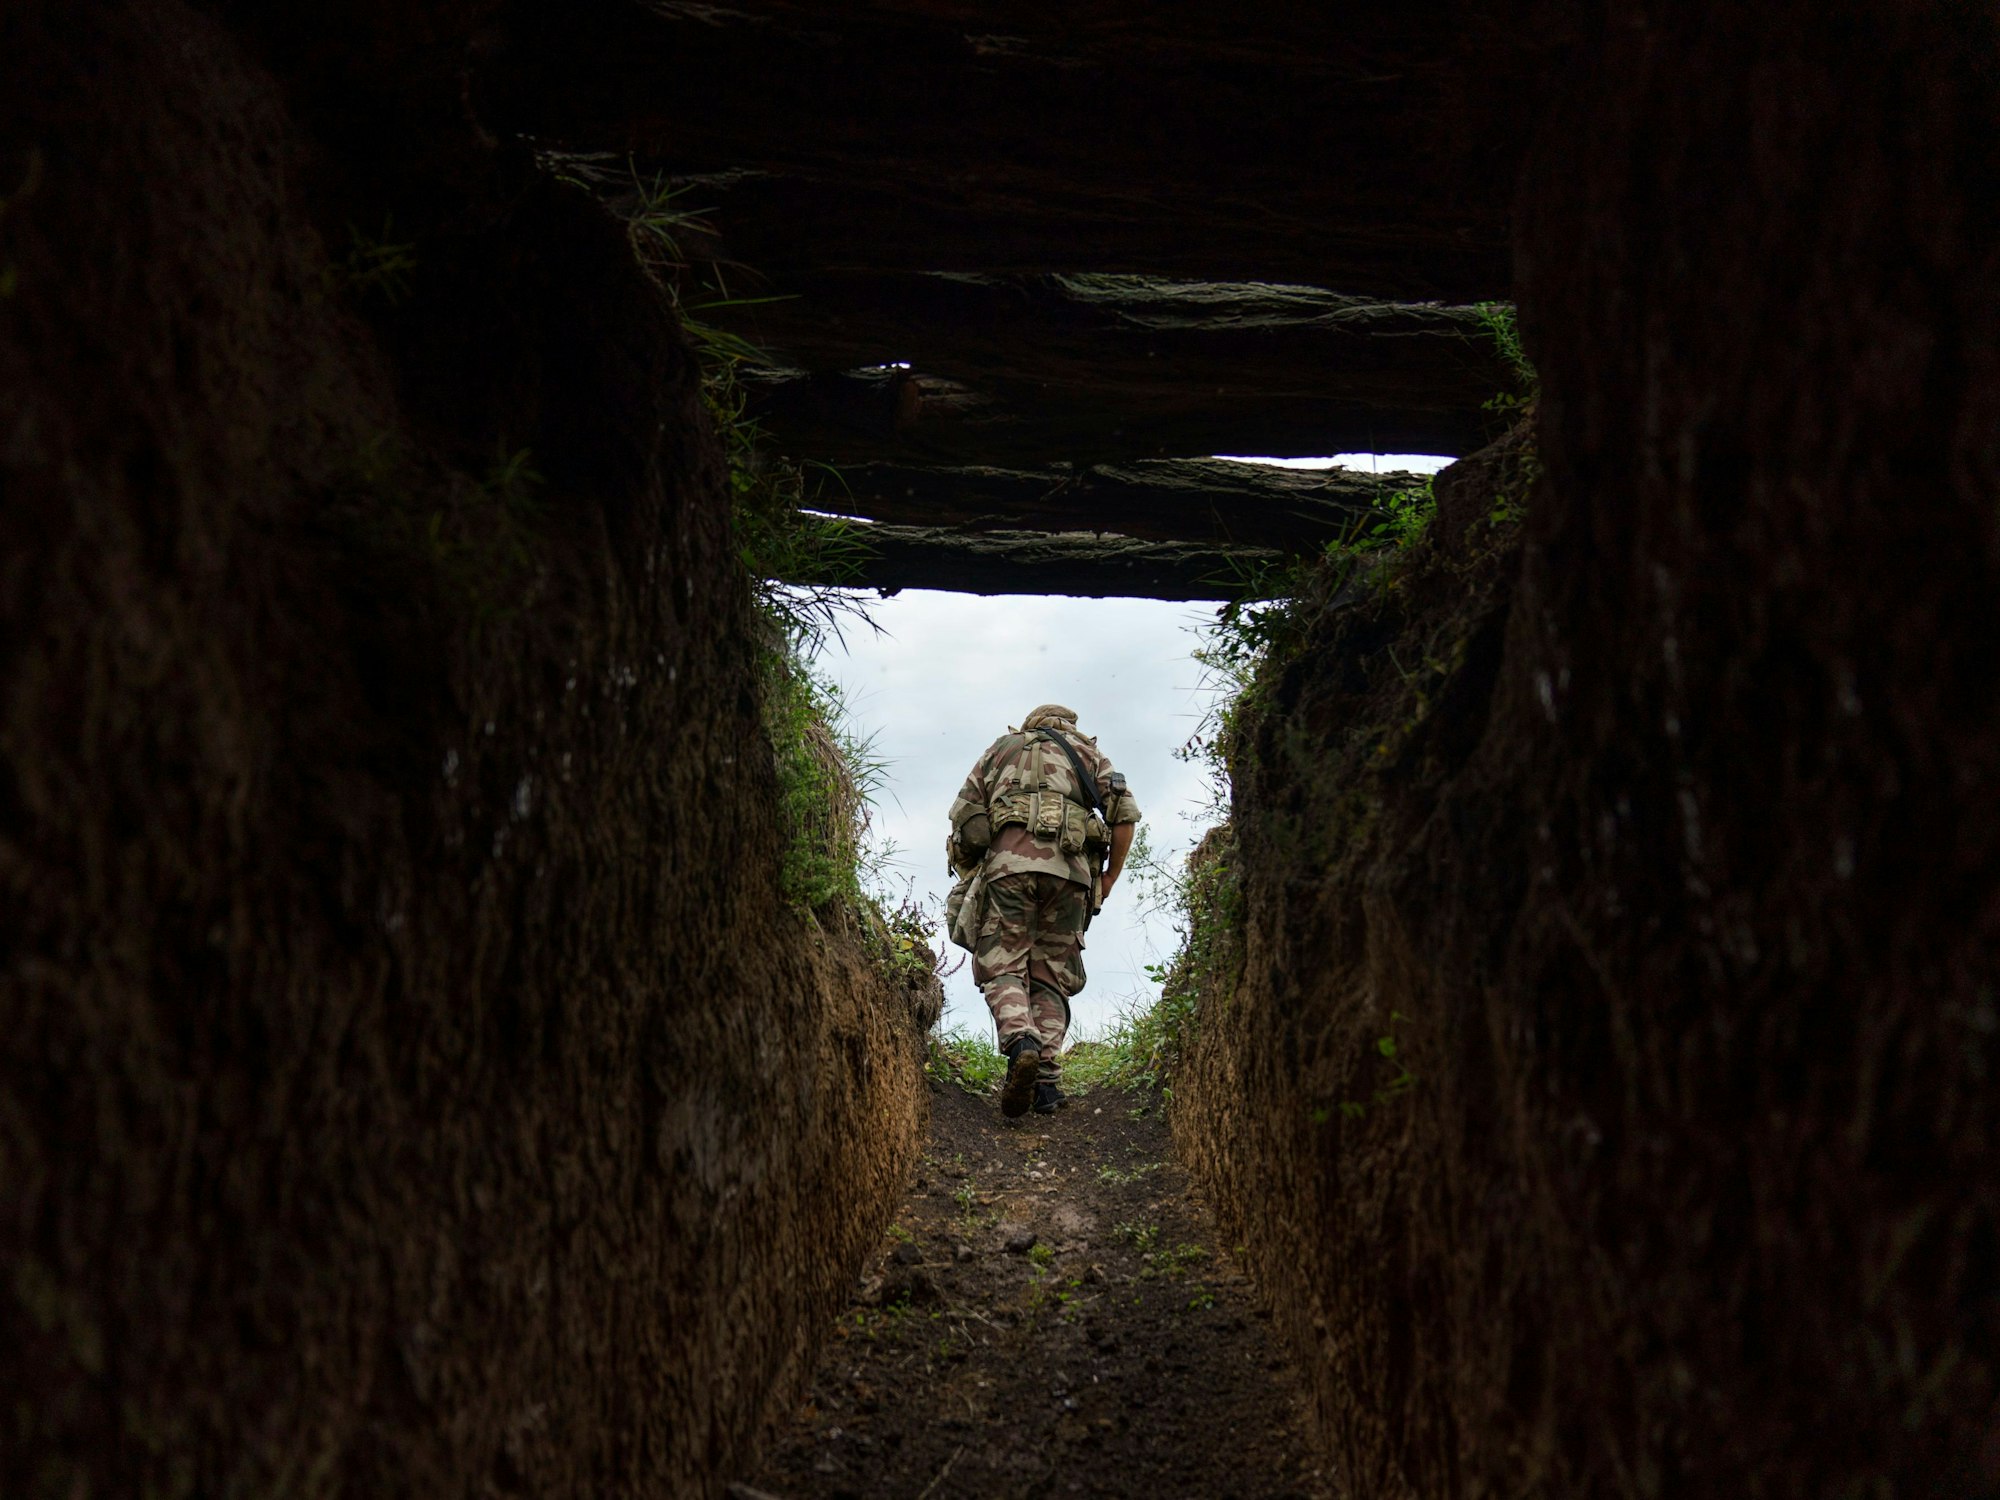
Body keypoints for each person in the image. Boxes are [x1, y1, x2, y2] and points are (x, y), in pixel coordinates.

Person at [945, 704, 1141, 1118]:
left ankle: (1022, 1042)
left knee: (1002, 963)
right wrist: (1109, 878)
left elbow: (966, 820)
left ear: (1030, 724)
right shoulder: (1088, 754)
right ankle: (1046, 1084)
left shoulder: (1000, 750)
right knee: (1051, 973)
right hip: (1070, 877)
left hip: (1008, 872)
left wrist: (971, 870)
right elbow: (1124, 814)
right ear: (1069, 726)